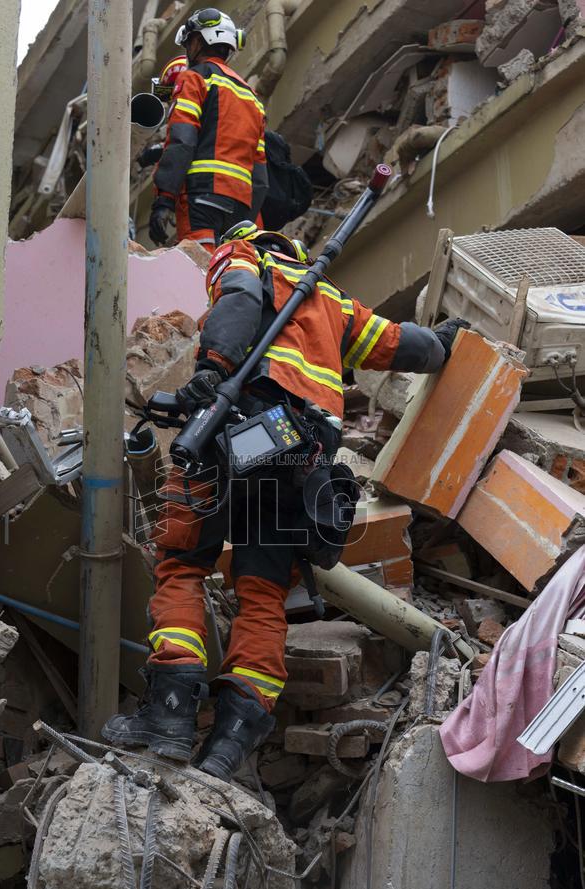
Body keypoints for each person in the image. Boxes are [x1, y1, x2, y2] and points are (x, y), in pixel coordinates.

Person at [102, 222, 465, 781]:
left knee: (182, 565)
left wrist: (212, 369)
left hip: (244, 430)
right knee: (264, 591)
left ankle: (170, 714)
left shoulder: (246, 258)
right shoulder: (333, 300)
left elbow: (239, 302)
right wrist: (442, 342)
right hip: (304, 459)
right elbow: (400, 344)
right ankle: (231, 740)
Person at [148, 8, 268, 254]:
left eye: (190, 41)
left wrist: (164, 199)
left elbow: (182, 140)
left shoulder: (195, 78)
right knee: (228, 274)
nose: (188, 49)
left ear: (201, 41)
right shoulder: (252, 98)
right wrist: (246, 213)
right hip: (242, 209)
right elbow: (260, 177)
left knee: (201, 274)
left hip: (201, 196)